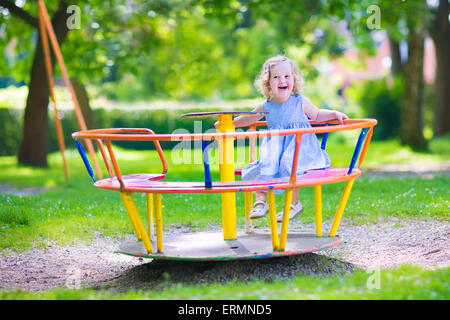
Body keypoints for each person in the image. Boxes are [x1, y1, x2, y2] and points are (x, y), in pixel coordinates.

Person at [231, 55, 348, 222]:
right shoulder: (267, 106)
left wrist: (334, 113)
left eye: (286, 76)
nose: (282, 80)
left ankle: (293, 204)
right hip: (275, 147)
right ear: (268, 83)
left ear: (294, 79)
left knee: (291, 162)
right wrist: (231, 123)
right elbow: (250, 118)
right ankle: (260, 202)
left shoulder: (300, 101)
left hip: (300, 146)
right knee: (264, 166)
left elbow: (317, 114)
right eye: (276, 77)